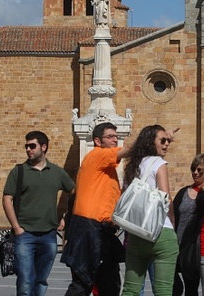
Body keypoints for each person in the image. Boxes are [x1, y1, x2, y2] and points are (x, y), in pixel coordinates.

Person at [2, 131, 75, 296]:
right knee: (26, 282)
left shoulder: (57, 172)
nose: (28, 149)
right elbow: (7, 199)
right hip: (25, 234)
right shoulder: (19, 171)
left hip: (49, 235)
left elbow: (75, 193)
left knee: (41, 281)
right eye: (26, 146)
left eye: (32, 146)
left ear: (44, 147)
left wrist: (66, 216)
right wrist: (16, 227)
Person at [61, 122, 128, 296]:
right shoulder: (97, 155)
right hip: (89, 228)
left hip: (101, 230)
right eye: (110, 137)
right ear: (98, 141)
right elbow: (128, 151)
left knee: (109, 284)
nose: (115, 140)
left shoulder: (107, 170)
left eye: (116, 136)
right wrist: (151, 137)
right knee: (83, 282)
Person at [120, 125, 179, 296]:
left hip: (136, 233)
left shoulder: (131, 166)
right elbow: (166, 197)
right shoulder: (159, 163)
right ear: (150, 143)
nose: (167, 144)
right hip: (161, 232)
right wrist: (173, 221)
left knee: (130, 289)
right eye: (162, 140)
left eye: (168, 141)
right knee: (163, 290)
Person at [173, 152, 204, 296]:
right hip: (177, 244)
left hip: (195, 247)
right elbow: (173, 216)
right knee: (174, 285)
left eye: (200, 170)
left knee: (191, 287)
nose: (195, 173)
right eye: (193, 169)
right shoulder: (183, 192)